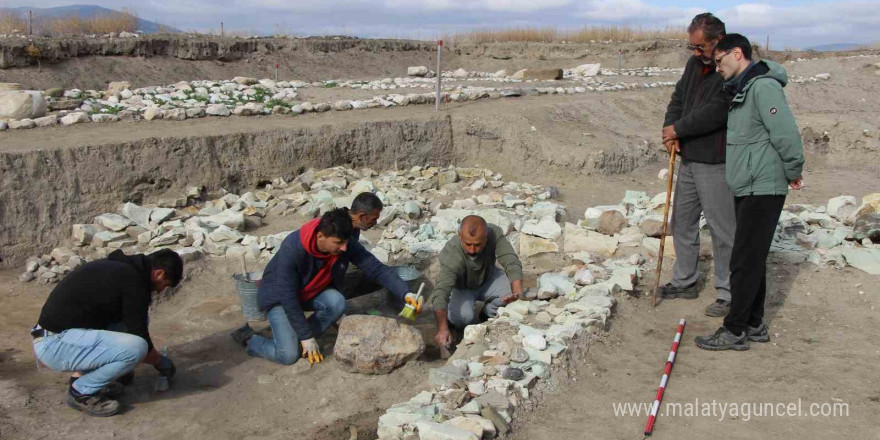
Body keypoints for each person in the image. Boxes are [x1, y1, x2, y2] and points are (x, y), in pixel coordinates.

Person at [695, 33, 805, 351]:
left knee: (743, 259)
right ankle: (754, 323)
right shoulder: (745, 88)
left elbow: (784, 132)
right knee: (752, 257)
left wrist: (793, 169)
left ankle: (735, 329)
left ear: (738, 54)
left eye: (719, 60)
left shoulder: (763, 87)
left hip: (763, 185)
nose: (717, 67)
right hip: (750, 183)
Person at [233, 208, 417, 365]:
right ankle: (251, 339)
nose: (345, 248)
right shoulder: (293, 248)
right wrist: (306, 336)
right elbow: (287, 296)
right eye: (339, 243)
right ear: (321, 237)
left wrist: (405, 293)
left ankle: (296, 337)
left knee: (337, 302)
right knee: (288, 356)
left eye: (346, 242)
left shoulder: (343, 241)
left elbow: (376, 269)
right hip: (279, 298)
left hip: (310, 293)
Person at [31, 249, 183, 417]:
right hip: (55, 345)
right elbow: (142, 341)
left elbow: (133, 324)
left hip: (58, 337)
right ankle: (81, 392)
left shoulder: (121, 268)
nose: (161, 291)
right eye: (165, 284)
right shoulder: (133, 281)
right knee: (137, 348)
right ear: (159, 273)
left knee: (134, 327)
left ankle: (81, 377)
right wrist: (161, 363)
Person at [660, 12, 737, 317]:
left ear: (718, 41)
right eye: (692, 47)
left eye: (700, 47)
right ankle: (685, 281)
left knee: (722, 229)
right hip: (689, 157)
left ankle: (729, 292)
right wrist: (670, 129)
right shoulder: (695, 64)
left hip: (716, 159)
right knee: (682, 221)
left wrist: (680, 129)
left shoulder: (731, 68)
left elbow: (717, 112)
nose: (695, 53)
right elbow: (679, 98)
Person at [430, 215, 523, 350]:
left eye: (478, 245)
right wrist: (442, 329)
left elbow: (510, 260)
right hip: (461, 287)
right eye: (468, 244)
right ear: (459, 235)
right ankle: (464, 327)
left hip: (488, 277)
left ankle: (487, 315)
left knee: (511, 294)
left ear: (486, 237)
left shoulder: (493, 233)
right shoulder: (452, 256)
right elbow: (441, 292)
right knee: (463, 317)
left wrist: (517, 292)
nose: (472, 250)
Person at [342, 192, 422, 313]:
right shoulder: (337, 230)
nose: (375, 223)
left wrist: (406, 294)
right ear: (362, 216)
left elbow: (376, 268)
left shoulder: (352, 226)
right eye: (374, 219)